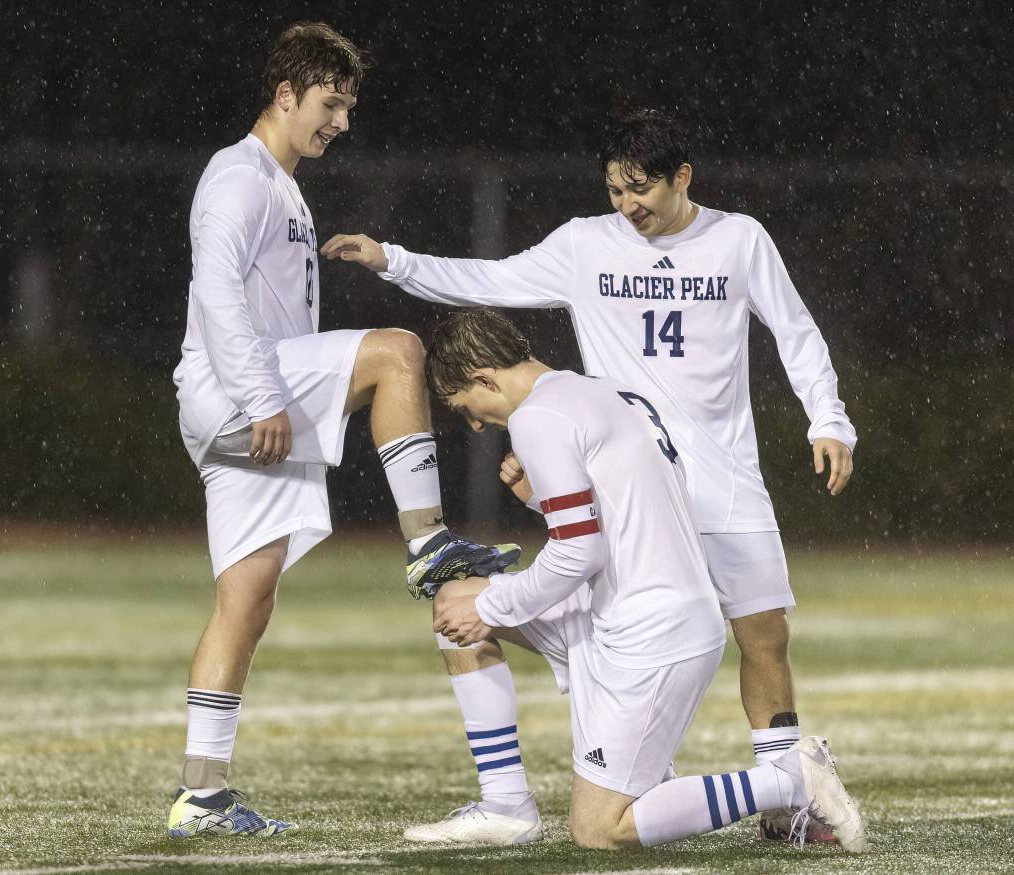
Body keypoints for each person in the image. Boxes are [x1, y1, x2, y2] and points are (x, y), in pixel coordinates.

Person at [321, 109, 856, 843]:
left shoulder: (738, 239)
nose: (627, 206)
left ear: (683, 178)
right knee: (611, 623)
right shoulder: (586, 244)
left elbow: (794, 329)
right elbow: (492, 279)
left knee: (764, 636)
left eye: (641, 191)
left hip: (721, 475)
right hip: (628, 476)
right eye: (614, 191)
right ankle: (613, 780)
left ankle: (786, 798)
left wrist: (828, 418)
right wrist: (397, 261)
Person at [166, 22, 519, 839]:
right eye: (330, 104)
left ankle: (202, 795)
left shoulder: (282, 184)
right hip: (239, 393)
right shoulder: (238, 177)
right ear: (285, 94)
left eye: (349, 108)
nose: (341, 123)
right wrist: (260, 398)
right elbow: (218, 295)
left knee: (245, 598)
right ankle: (430, 542)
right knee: (398, 352)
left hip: (249, 399)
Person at [419, 309, 865, 852]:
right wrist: (537, 500)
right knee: (452, 600)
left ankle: (790, 779)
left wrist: (493, 608)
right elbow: (632, 513)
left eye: (468, 407)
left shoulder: (539, 418)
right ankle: (506, 805)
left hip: (649, 634)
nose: (476, 423)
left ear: (485, 377)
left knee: (600, 829)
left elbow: (579, 551)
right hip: (636, 609)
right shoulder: (606, 393)